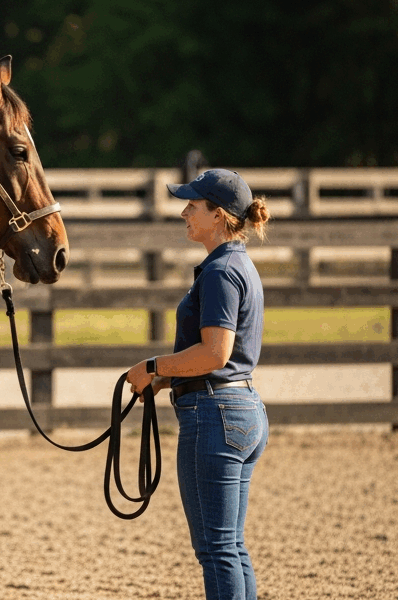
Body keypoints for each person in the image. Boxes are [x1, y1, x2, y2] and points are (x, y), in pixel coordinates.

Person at [125, 168, 271, 600]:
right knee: (229, 546)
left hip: (214, 417)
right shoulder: (236, 263)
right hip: (240, 409)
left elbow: (214, 354)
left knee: (216, 548)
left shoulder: (220, 272)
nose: (185, 211)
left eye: (193, 205)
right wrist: (165, 378)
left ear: (218, 215)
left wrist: (152, 366)